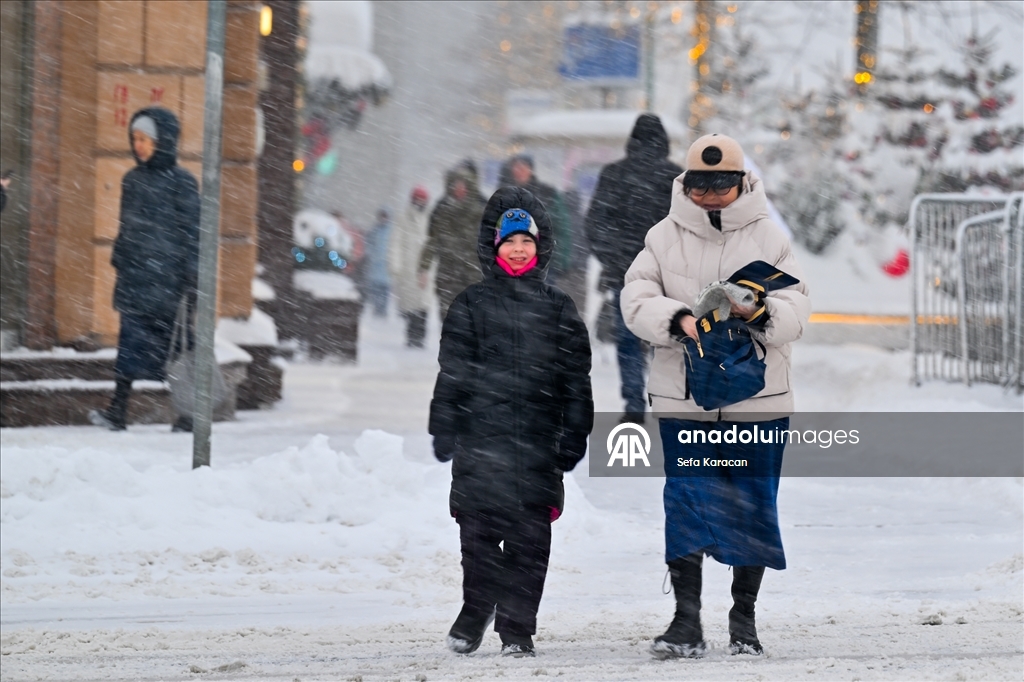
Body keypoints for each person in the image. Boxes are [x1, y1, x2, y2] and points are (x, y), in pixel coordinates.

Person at [621, 133, 810, 659]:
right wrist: (676, 318)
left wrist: (758, 311)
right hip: (685, 398)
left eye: (722, 184)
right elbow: (634, 298)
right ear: (687, 183)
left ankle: (743, 618)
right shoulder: (661, 237)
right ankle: (686, 620)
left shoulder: (770, 236)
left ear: (740, 182)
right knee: (688, 503)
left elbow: (798, 307)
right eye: (701, 185)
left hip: (759, 398)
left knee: (752, 504)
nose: (710, 195)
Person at [429, 186, 593, 658]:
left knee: (529, 545)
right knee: (477, 541)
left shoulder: (559, 307)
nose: (519, 249)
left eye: (527, 241)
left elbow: (575, 380)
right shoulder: (470, 304)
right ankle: (476, 608)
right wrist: (444, 424)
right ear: (493, 246)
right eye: (509, 241)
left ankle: (518, 629)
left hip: (539, 448)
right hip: (480, 444)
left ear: (540, 247)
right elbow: (452, 371)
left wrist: (575, 432)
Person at [89, 107, 200, 432]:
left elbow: (193, 233)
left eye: (146, 139)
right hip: (137, 281)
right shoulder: (132, 180)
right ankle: (118, 411)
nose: (139, 145)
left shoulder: (182, 183)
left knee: (177, 349)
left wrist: (192, 277)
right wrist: (121, 259)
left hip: (169, 284)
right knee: (129, 348)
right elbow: (128, 228)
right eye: (135, 138)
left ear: (163, 141)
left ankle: (189, 415)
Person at [585, 114, 683, 423]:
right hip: (668, 275)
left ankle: (633, 404)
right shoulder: (676, 178)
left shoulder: (614, 174)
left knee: (628, 339)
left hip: (626, 274)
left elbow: (595, 223)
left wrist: (613, 258)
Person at [500, 155, 586, 311]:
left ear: (531, 169)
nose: (519, 171)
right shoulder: (503, 195)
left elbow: (562, 228)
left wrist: (561, 258)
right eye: (516, 167)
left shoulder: (548, 193)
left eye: (523, 167)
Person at [418, 162, 487, 322]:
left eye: (463, 185)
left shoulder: (483, 209)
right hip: (448, 273)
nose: (459, 189)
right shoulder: (442, 210)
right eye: (456, 185)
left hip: (473, 273)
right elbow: (432, 241)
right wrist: (423, 268)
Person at [389, 186, 431, 347]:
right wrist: (395, 265)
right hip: (408, 267)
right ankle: (412, 336)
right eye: (418, 199)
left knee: (424, 305)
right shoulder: (403, 219)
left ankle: (419, 337)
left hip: (426, 268)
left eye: (423, 200)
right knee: (411, 305)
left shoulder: (430, 219)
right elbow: (396, 243)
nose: (420, 203)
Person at [363, 207, 393, 317]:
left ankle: (382, 311)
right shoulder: (374, 230)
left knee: (385, 292)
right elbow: (368, 244)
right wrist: (372, 255)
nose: (383, 218)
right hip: (375, 267)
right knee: (375, 291)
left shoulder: (392, 231)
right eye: (382, 216)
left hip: (386, 267)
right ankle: (377, 310)